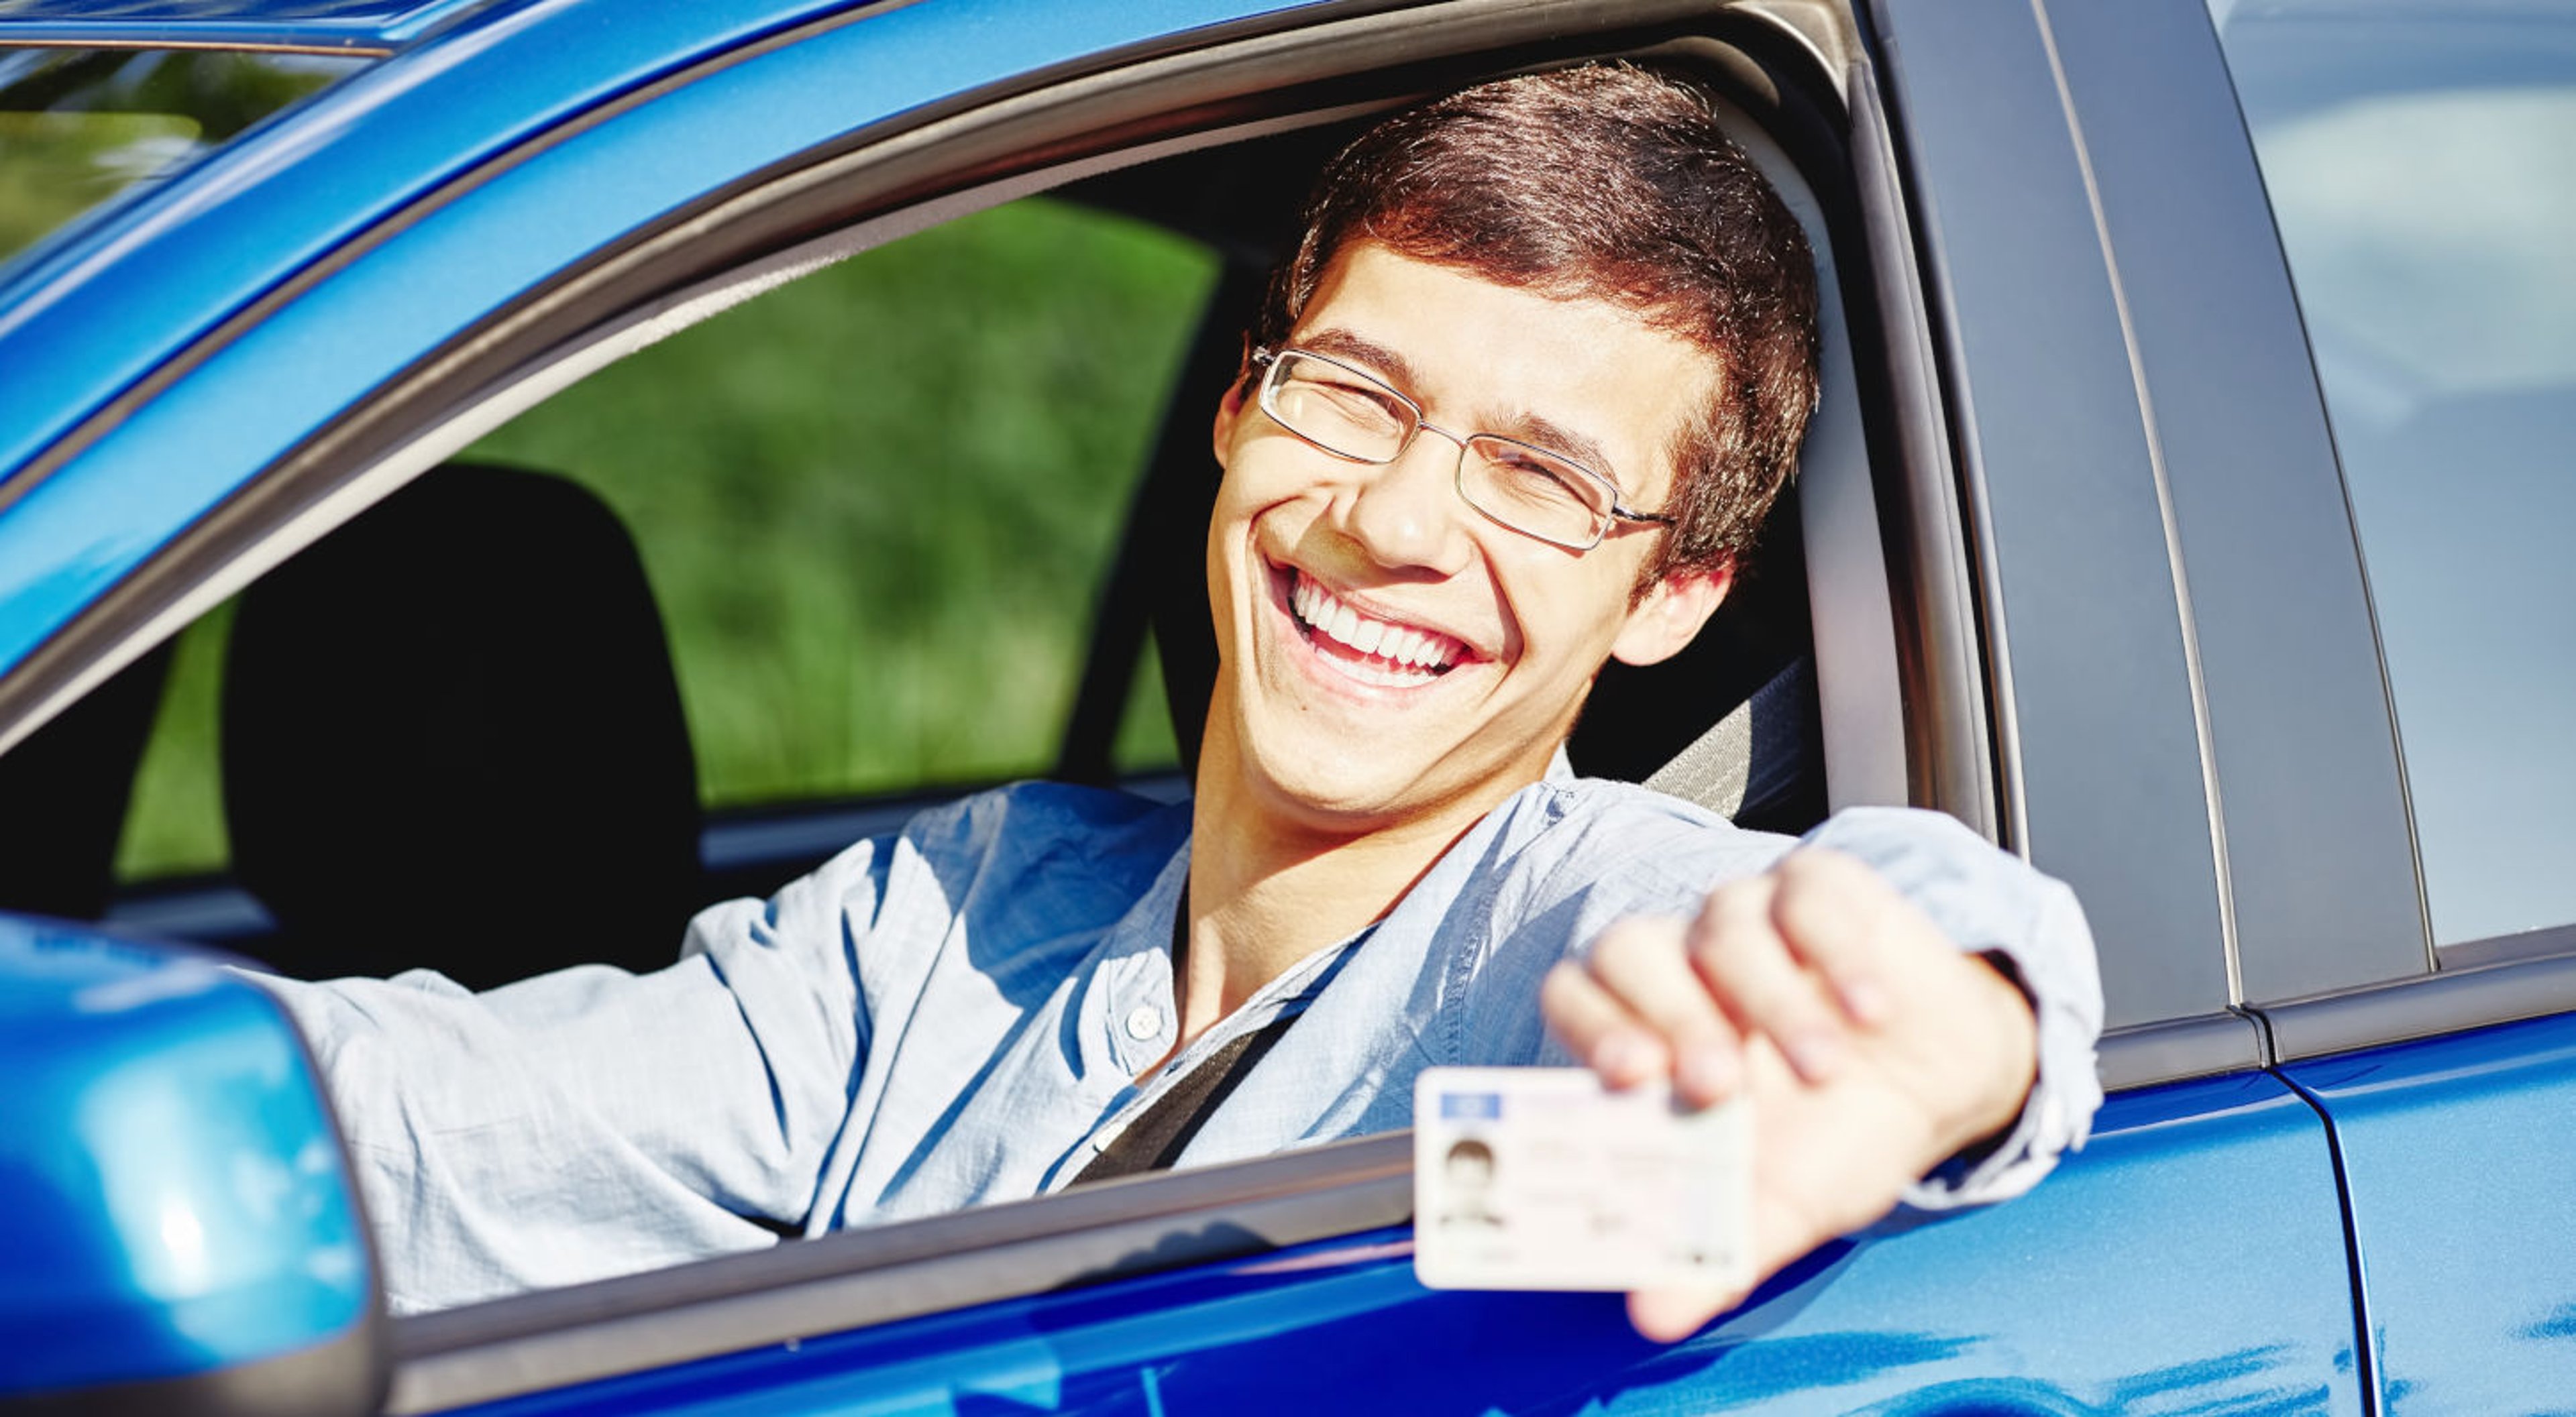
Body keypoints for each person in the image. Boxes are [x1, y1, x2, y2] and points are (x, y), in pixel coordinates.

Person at [254, 62, 2103, 1340]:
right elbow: (433, 1132)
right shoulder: (965, 919)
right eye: (1353, 397)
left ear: (1672, 594)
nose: (1388, 522)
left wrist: (1959, 1028)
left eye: (1539, 479)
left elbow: (1893, 953)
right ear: (1239, 414)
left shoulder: (1570, 941)